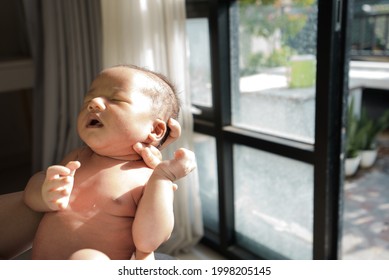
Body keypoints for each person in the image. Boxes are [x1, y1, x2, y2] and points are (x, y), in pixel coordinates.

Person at [22, 65, 196, 260]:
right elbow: (29, 198)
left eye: (115, 99)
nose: (93, 103)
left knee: (88, 260)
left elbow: (149, 241)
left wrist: (164, 178)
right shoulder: (76, 158)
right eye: (88, 99)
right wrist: (44, 193)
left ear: (155, 130)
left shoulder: (149, 177)